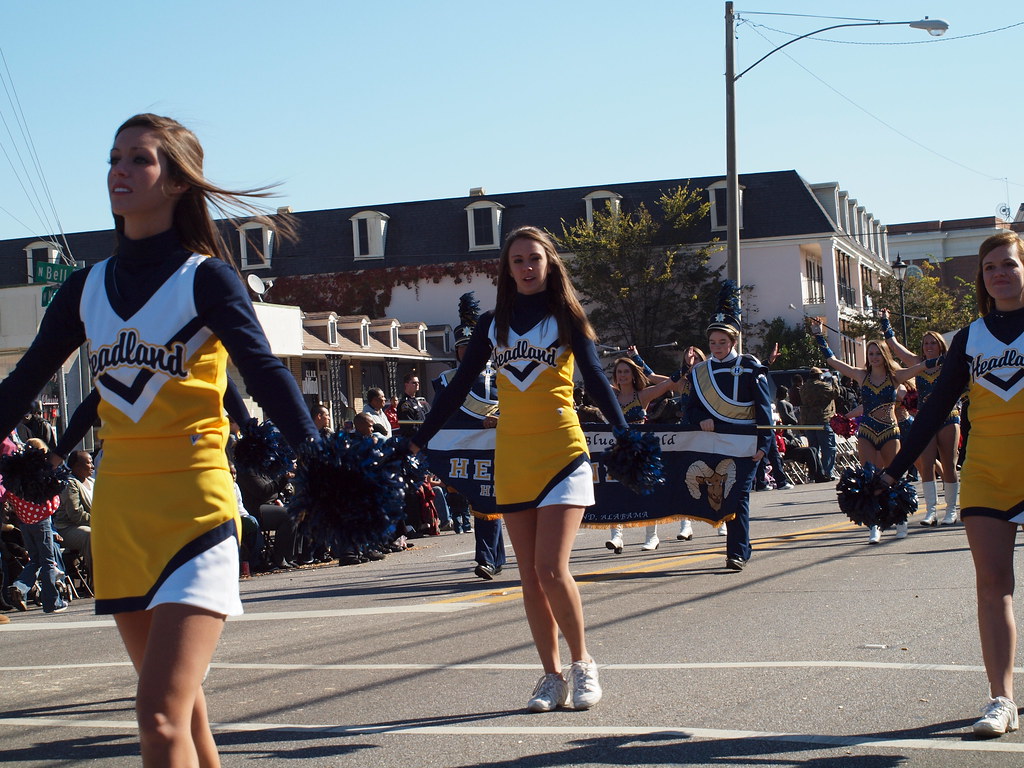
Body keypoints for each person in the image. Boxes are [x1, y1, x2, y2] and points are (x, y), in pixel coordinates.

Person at [0, 114, 322, 766]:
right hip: (120, 516)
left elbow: (266, 375)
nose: (119, 171)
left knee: (157, 714)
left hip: (194, 508)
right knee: (182, 711)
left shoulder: (206, 279)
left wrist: (322, 458)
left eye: (139, 160)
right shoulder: (85, 287)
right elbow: (21, 383)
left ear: (177, 181)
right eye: (114, 157)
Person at [411, 226, 632, 713]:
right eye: (518, 260)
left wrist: (623, 431)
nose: (527, 267)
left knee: (552, 568)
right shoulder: (494, 324)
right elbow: (457, 386)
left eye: (535, 258)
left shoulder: (568, 318)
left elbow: (594, 377)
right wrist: (420, 436)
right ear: (507, 269)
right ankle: (550, 677)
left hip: (561, 450)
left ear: (549, 263)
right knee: (529, 576)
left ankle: (582, 663)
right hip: (512, 455)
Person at [878, 231, 1024, 737]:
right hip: (985, 469)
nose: (1000, 274)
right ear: (982, 279)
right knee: (992, 586)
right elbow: (935, 408)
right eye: (990, 268)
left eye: (1008, 264)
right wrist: (890, 474)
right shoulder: (971, 337)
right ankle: (1001, 700)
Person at [685, 290, 772, 571]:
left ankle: (735, 552)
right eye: (712, 342)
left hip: (745, 441)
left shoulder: (750, 366)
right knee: (720, 497)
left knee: (737, 495)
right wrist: (700, 420)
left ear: (733, 341)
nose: (717, 346)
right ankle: (743, 545)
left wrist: (765, 443)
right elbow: (690, 408)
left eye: (722, 342)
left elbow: (763, 408)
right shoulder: (700, 372)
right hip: (714, 442)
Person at [812, 326, 921, 543]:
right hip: (867, 432)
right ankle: (874, 525)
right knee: (868, 477)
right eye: (871, 354)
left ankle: (900, 520)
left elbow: (920, 367)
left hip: (890, 431)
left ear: (884, 355)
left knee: (893, 476)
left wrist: (938, 360)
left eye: (878, 353)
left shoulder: (895, 376)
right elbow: (833, 362)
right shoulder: (862, 376)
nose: (874, 357)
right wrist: (819, 336)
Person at [879, 309, 961, 526]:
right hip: (925, 420)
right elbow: (894, 346)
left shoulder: (950, 363)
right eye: (925, 343)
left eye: (933, 343)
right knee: (925, 464)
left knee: (949, 464)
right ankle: (931, 511)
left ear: (941, 345)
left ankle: (951, 510)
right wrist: (885, 321)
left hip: (949, 417)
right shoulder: (918, 363)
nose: (929, 346)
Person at [604, 349, 679, 553]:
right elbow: (592, 376)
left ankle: (652, 536)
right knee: (615, 494)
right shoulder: (611, 395)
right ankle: (617, 537)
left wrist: (687, 367)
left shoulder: (642, 395)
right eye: (619, 371)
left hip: (640, 450)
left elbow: (668, 384)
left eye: (626, 371)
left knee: (645, 494)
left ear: (633, 374)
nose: (622, 375)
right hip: (618, 451)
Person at [53, 450, 95, 579]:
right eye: (89, 463)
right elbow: (75, 514)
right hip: (67, 528)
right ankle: (98, 580)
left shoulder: (93, 482)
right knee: (91, 535)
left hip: (93, 523)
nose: (93, 466)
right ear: (77, 466)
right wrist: (99, 522)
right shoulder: (70, 483)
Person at [799, 368, 839, 482]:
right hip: (822, 420)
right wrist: (834, 380)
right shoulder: (823, 386)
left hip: (808, 422)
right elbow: (836, 393)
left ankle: (816, 473)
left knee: (813, 449)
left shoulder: (803, 387)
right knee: (828, 448)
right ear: (819, 376)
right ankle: (826, 472)